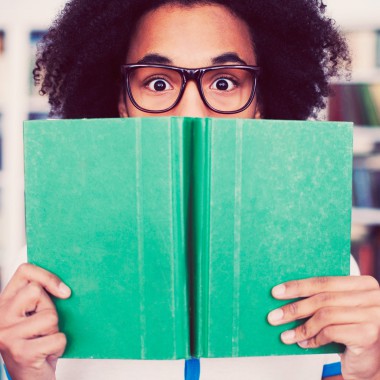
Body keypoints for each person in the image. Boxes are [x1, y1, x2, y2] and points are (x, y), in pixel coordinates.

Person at [0, 0, 380, 379]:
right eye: (159, 82)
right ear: (121, 102)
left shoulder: (326, 270)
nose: (191, 113)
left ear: (260, 103)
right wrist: (26, 373)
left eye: (224, 82)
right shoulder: (41, 271)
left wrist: (368, 371)